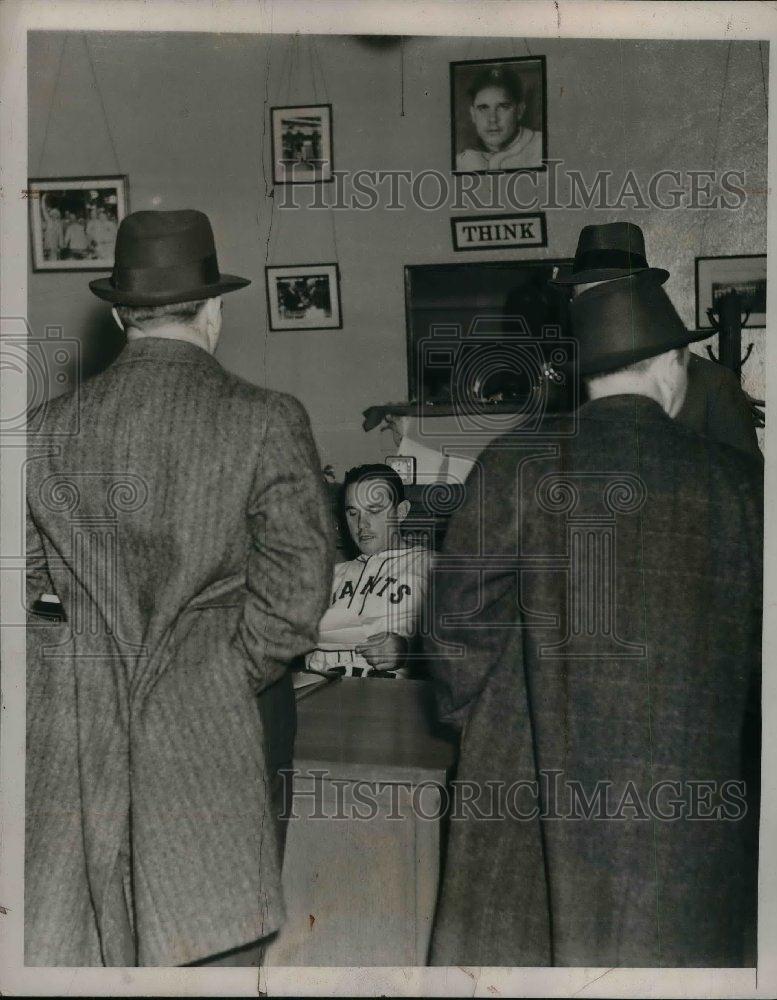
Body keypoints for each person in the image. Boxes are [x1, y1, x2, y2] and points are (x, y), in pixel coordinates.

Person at [426, 269, 762, 966]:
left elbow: (454, 629)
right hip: (683, 805)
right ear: (672, 368)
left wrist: (495, 726)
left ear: (586, 377)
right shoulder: (737, 486)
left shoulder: (512, 464)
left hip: (525, 796)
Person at [25, 209, 334, 966]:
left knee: (96, 948)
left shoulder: (44, 426)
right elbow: (294, 602)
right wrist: (214, 677)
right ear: (213, 309)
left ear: (121, 313)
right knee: (210, 948)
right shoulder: (265, 419)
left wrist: (88, 668)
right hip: (224, 735)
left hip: (77, 733)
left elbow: (25, 588)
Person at [552, 221, 762, 459]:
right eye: (588, 299)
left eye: (615, 296)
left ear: (644, 295)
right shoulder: (567, 386)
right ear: (573, 303)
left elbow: (748, 483)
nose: (603, 311)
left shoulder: (714, 383)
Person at [307, 464, 430, 678]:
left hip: (390, 698)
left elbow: (469, 644)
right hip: (316, 691)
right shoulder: (331, 575)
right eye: (353, 512)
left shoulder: (433, 566)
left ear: (401, 512)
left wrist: (408, 651)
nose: (361, 524)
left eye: (374, 510)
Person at [456, 64, 542, 171]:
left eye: (503, 107)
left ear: (519, 111)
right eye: (483, 108)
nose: (492, 119)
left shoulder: (540, 147)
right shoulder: (462, 162)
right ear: (473, 114)